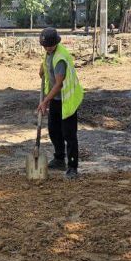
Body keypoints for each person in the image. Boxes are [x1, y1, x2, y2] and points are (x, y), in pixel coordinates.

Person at [37, 27, 84, 179]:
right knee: (53, 130)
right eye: (45, 46)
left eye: (49, 46)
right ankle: (59, 159)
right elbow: (46, 60)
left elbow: (59, 85)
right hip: (57, 100)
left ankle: (72, 167)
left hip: (67, 100)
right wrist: (42, 68)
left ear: (55, 43)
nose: (47, 48)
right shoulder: (49, 52)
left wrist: (45, 101)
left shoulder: (60, 59)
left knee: (68, 134)